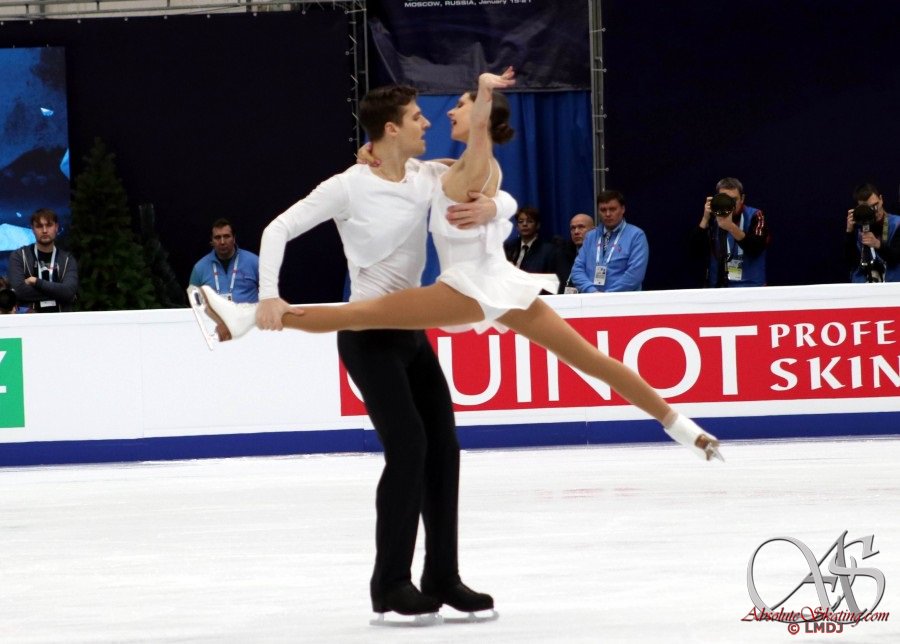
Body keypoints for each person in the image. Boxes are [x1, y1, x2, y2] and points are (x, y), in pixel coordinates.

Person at [199, 68, 721, 460]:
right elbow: (465, 176)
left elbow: (477, 155)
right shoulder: (446, 171)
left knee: (353, 314)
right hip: (501, 284)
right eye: (426, 115)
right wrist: (495, 201)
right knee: (590, 360)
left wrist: (486, 93)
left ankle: (246, 318)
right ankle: (682, 427)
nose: (443, 113)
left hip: (469, 287)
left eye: (458, 106)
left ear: (478, 121)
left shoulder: (467, 164)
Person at [191, 79, 516, 623]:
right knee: (409, 447)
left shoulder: (422, 175)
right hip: (367, 338)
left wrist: (494, 209)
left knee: (444, 448)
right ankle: (389, 583)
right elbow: (278, 228)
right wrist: (268, 294)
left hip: (411, 331)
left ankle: (442, 575)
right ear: (390, 129)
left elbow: (482, 177)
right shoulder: (347, 186)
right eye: (416, 117)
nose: (427, 123)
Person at [690, 177, 770, 287]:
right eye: (725, 199)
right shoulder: (712, 217)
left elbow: (756, 247)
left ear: (742, 198)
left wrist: (731, 227)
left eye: (733, 200)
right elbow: (694, 251)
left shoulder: (756, 215)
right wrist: (705, 219)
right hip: (718, 289)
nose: (730, 205)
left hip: (751, 287)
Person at [189, 219, 260, 341]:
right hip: (215, 329)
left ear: (234, 238)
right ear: (211, 241)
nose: (222, 242)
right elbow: (193, 300)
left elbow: (270, 293)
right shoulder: (200, 268)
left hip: (251, 330)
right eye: (217, 237)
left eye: (226, 236)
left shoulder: (254, 262)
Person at [569, 190, 648, 293]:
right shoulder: (590, 236)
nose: (608, 214)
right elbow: (577, 270)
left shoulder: (636, 236)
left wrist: (608, 295)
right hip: (592, 299)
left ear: (623, 209)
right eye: (603, 210)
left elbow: (635, 275)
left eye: (612, 209)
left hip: (623, 301)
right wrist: (591, 291)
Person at [7, 208, 78, 313]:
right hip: (28, 322)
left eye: (49, 225)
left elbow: (69, 291)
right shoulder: (19, 256)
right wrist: (61, 292)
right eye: (39, 226)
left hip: (62, 321)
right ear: (32, 229)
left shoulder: (67, 259)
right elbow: (19, 291)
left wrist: (35, 281)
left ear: (56, 227)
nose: (44, 230)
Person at [844, 182, 900, 283]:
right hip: (863, 288)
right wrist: (849, 232)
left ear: (881, 199)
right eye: (869, 208)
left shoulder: (897, 224)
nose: (875, 210)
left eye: (876, 205)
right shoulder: (858, 229)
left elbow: (896, 256)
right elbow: (850, 262)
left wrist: (877, 244)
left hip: (892, 287)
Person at [502, 207, 559, 276]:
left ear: (537, 225)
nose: (524, 224)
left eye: (529, 221)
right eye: (521, 221)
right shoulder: (508, 247)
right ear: (517, 226)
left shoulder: (548, 250)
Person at [557, 213, 596, 293]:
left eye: (581, 227)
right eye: (573, 228)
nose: (576, 232)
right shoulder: (561, 255)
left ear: (593, 230)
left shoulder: (601, 254)